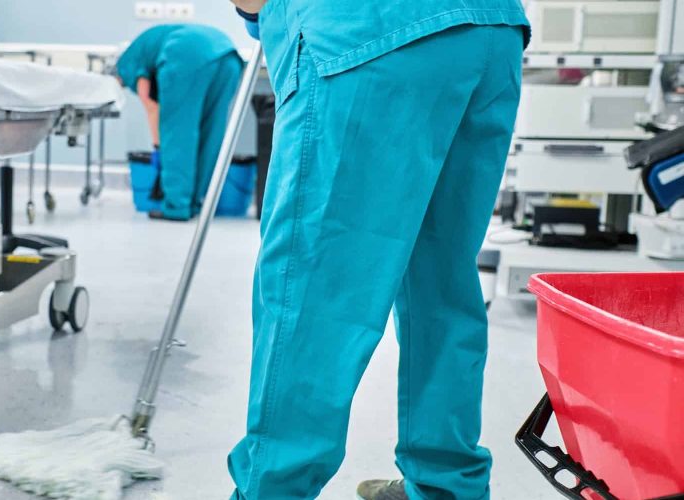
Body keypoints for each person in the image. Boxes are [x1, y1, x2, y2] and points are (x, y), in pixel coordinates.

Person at [227, 1, 531, 499]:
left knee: (314, 293)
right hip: (490, 31)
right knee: (441, 281)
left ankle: (272, 491)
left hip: (370, 34)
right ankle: (445, 486)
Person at [116, 25, 242, 221]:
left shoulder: (126, 65)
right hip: (228, 57)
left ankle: (176, 206)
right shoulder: (152, 40)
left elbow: (150, 105)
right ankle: (194, 202)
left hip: (186, 57)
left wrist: (158, 147)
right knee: (211, 134)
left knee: (178, 134)